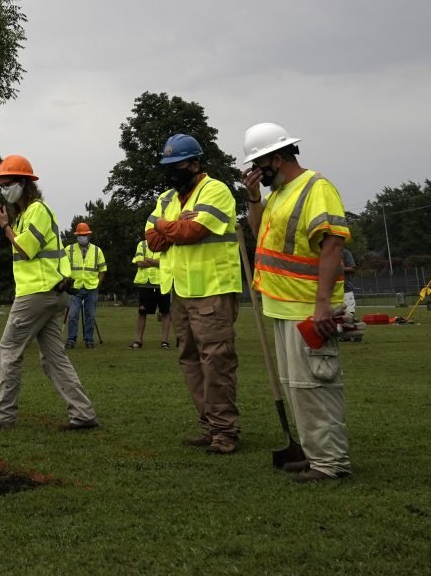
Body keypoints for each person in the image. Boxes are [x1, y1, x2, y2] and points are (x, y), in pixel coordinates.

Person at [240, 121, 352, 483]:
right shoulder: (278, 195)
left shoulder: (316, 188)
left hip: (307, 307)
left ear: (277, 157)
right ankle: (314, 454)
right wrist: (254, 199)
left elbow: (332, 245)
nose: (255, 171)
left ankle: (331, 464)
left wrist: (323, 305)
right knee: (297, 389)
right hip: (282, 305)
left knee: (315, 388)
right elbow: (259, 235)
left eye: (259, 163)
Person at [0, 154, 99, 430]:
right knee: (53, 356)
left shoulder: (37, 211)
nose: (3, 189)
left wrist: (4, 226)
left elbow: (26, 249)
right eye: (1, 184)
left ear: (24, 183)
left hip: (37, 295)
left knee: (9, 349)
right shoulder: (28, 215)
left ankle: (2, 416)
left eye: (7, 183)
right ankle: (83, 414)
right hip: (51, 294)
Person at [145, 133, 241, 454]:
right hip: (180, 292)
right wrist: (170, 225)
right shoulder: (166, 198)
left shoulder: (215, 190)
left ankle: (225, 432)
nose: (172, 171)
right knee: (189, 360)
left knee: (216, 361)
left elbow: (191, 232)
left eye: (178, 165)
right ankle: (210, 426)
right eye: (168, 166)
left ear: (195, 164)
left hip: (213, 290)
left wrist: (165, 225)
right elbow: (153, 241)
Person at [63, 222, 107, 348]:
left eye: (85, 235)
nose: (82, 237)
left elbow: (102, 270)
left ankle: (89, 340)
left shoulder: (97, 251)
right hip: (74, 289)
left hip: (91, 288)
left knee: (90, 316)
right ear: (76, 236)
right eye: (80, 235)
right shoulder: (69, 250)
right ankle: (71, 340)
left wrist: (97, 284)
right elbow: (63, 267)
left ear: (89, 236)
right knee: (73, 315)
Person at [130, 238, 172, 348]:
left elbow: (168, 263)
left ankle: (165, 342)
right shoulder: (142, 244)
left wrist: (149, 260)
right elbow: (139, 263)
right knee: (142, 312)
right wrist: (157, 263)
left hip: (163, 283)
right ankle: (138, 341)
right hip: (145, 283)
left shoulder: (166, 243)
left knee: (165, 312)